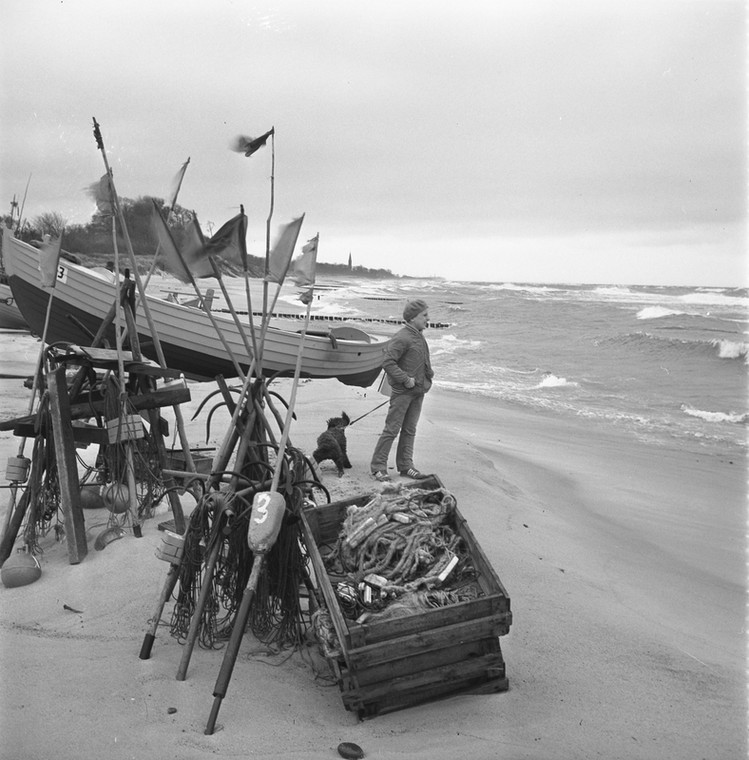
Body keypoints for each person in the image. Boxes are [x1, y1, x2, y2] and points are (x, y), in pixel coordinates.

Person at [370, 299, 433, 481]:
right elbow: (388, 362)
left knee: (410, 430)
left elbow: (422, 359)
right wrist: (405, 379)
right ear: (413, 318)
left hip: (418, 391)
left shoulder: (419, 335)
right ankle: (378, 466)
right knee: (392, 429)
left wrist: (429, 375)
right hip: (403, 392)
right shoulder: (402, 336)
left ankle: (406, 466)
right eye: (424, 315)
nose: (428, 319)